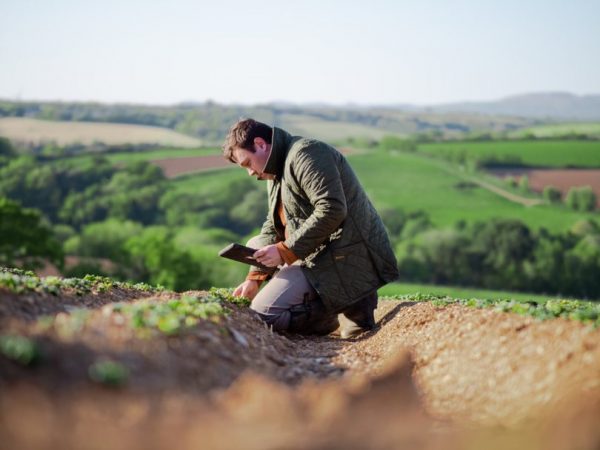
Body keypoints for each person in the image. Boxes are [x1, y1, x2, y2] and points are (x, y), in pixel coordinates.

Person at [222, 119, 399, 337]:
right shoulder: (275, 171)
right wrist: (254, 278)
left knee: (264, 315)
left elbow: (332, 210)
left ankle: (343, 308)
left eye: (247, 163)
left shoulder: (306, 154)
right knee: (255, 244)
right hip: (314, 252)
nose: (250, 173)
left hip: (345, 254)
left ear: (260, 144)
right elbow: (273, 224)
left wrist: (284, 251)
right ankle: (328, 300)